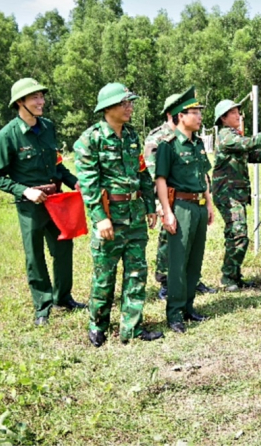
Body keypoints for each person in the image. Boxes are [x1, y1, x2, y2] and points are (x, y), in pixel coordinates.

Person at [0, 78, 86, 327]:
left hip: (57, 201)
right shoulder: (6, 136)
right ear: (20, 102)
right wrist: (25, 191)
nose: (41, 101)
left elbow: (57, 164)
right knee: (35, 256)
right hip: (30, 206)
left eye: (42, 96)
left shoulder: (48, 127)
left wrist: (74, 181)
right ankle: (42, 306)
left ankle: (63, 298)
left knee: (64, 248)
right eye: (35, 98)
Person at [74, 83, 163, 347]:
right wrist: (100, 217)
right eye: (124, 103)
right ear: (108, 108)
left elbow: (142, 173)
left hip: (134, 215)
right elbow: (89, 184)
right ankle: (98, 324)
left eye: (130, 102)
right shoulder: (90, 140)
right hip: (110, 216)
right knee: (104, 274)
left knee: (137, 273)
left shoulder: (133, 135)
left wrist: (150, 206)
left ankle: (131, 328)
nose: (130, 107)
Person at [145, 94, 217, 300]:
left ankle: (189, 279)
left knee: (191, 243)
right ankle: (167, 280)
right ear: (174, 114)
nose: (197, 115)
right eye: (189, 111)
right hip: (169, 197)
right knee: (169, 240)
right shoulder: (159, 138)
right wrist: (160, 203)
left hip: (192, 200)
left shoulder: (194, 139)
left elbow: (200, 171)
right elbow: (153, 172)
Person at [211, 100, 261, 291]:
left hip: (235, 194)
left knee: (237, 234)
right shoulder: (226, 136)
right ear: (223, 118)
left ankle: (234, 277)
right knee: (238, 234)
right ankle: (228, 279)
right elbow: (252, 143)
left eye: (238, 112)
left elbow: (252, 155)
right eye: (233, 113)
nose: (238, 116)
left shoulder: (234, 136)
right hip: (227, 195)